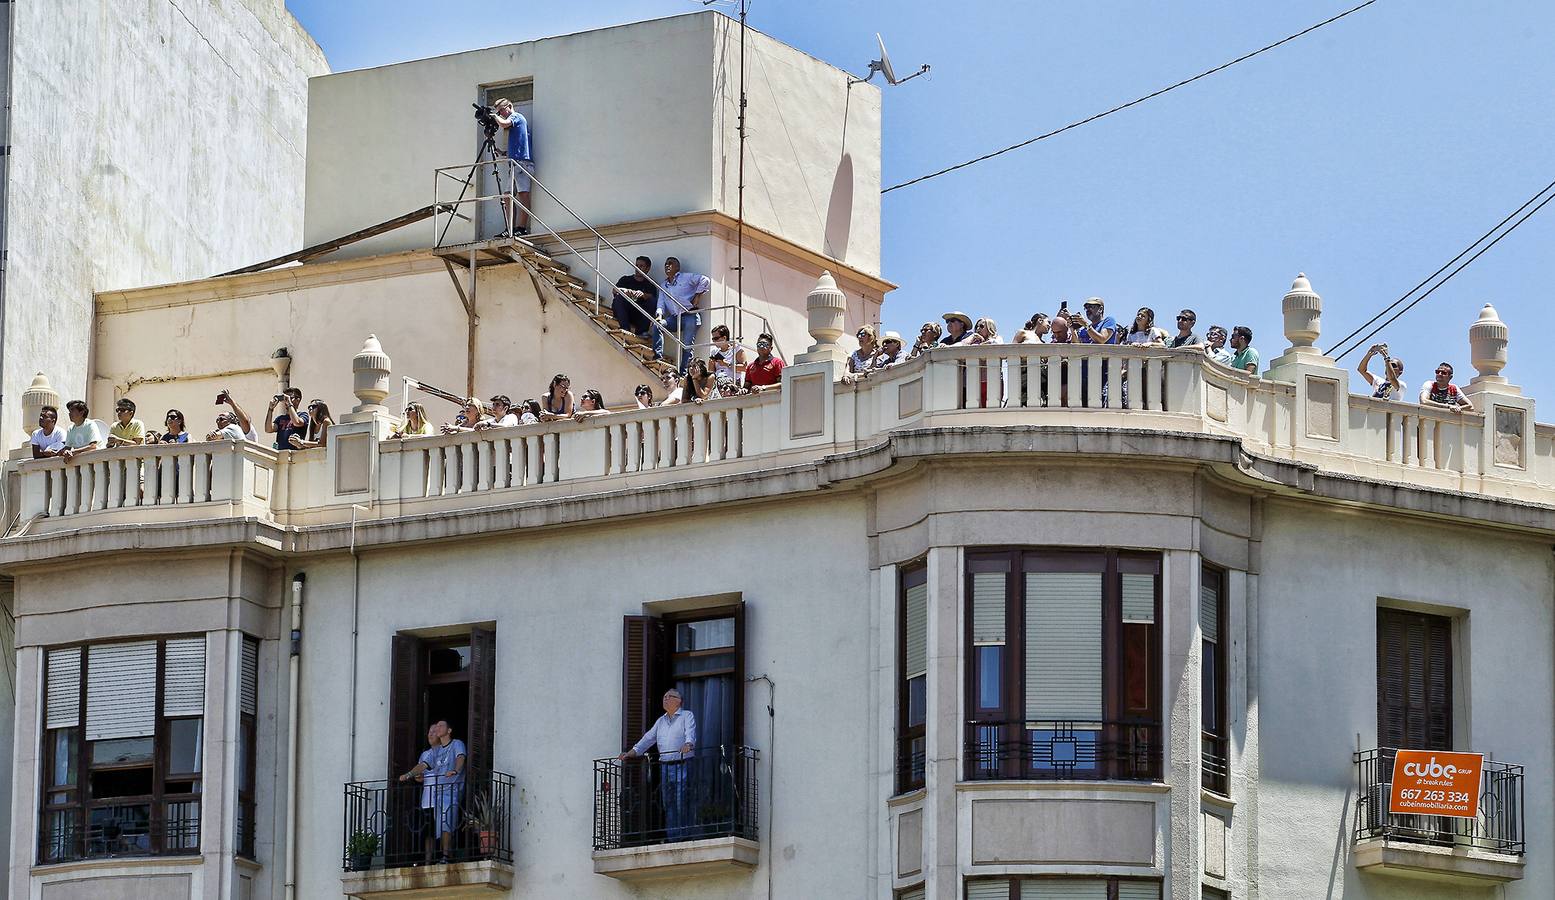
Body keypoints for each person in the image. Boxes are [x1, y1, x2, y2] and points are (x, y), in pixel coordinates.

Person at [620, 689, 697, 841]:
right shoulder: (660, 721)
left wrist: (688, 744)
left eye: (670, 696)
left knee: (682, 800)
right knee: (668, 802)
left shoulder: (686, 715)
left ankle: (685, 835)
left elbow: (690, 732)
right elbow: (647, 739)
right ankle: (673, 836)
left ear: (679, 701)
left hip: (683, 763)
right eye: (664, 696)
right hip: (666, 766)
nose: (666, 699)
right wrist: (631, 753)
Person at [655, 258, 711, 371]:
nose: (667, 266)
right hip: (675, 317)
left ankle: (684, 371)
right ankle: (657, 356)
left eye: (670, 264)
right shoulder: (664, 285)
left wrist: (697, 295)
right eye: (666, 264)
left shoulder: (685, 277)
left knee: (687, 344)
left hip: (689, 314)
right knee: (658, 325)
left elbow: (705, 280)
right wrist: (659, 315)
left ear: (677, 267)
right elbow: (660, 304)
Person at [398, 725, 444, 865]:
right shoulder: (425, 754)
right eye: (429, 731)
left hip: (442, 799)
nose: (430, 734)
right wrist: (417, 776)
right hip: (427, 800)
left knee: (443, 828)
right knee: (428, 832)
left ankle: (444, 857)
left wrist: (408, 775)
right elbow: (420, 776)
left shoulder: (446, 752)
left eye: (434, 732)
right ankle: (428, 861)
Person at [493, 97, 533, 237]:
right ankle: (510, 228)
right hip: (515, 163)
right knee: (507, 196)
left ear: (509, 106)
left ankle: (521, 227)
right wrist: (503, 153)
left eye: (501, 111)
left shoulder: (517, 117)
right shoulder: (514, 121)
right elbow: (518, 145)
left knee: (523, 194)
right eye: (499, 112)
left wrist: (494, 117)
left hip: (522, 163)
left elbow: (504, 124)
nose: (501, 114)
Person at [612, 256, 658, 338]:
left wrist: (642, 294)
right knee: (619, 297)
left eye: (641, 266)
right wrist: (625, 291)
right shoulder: (625, 279)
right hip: (624, 312)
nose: (638, 268)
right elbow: (614, 290)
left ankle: (642, 331)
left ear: (648, 268)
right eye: (636, 266)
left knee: (652, 301)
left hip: (638, 315)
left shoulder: (650, 284)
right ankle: (625, 328)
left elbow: (652, 297)